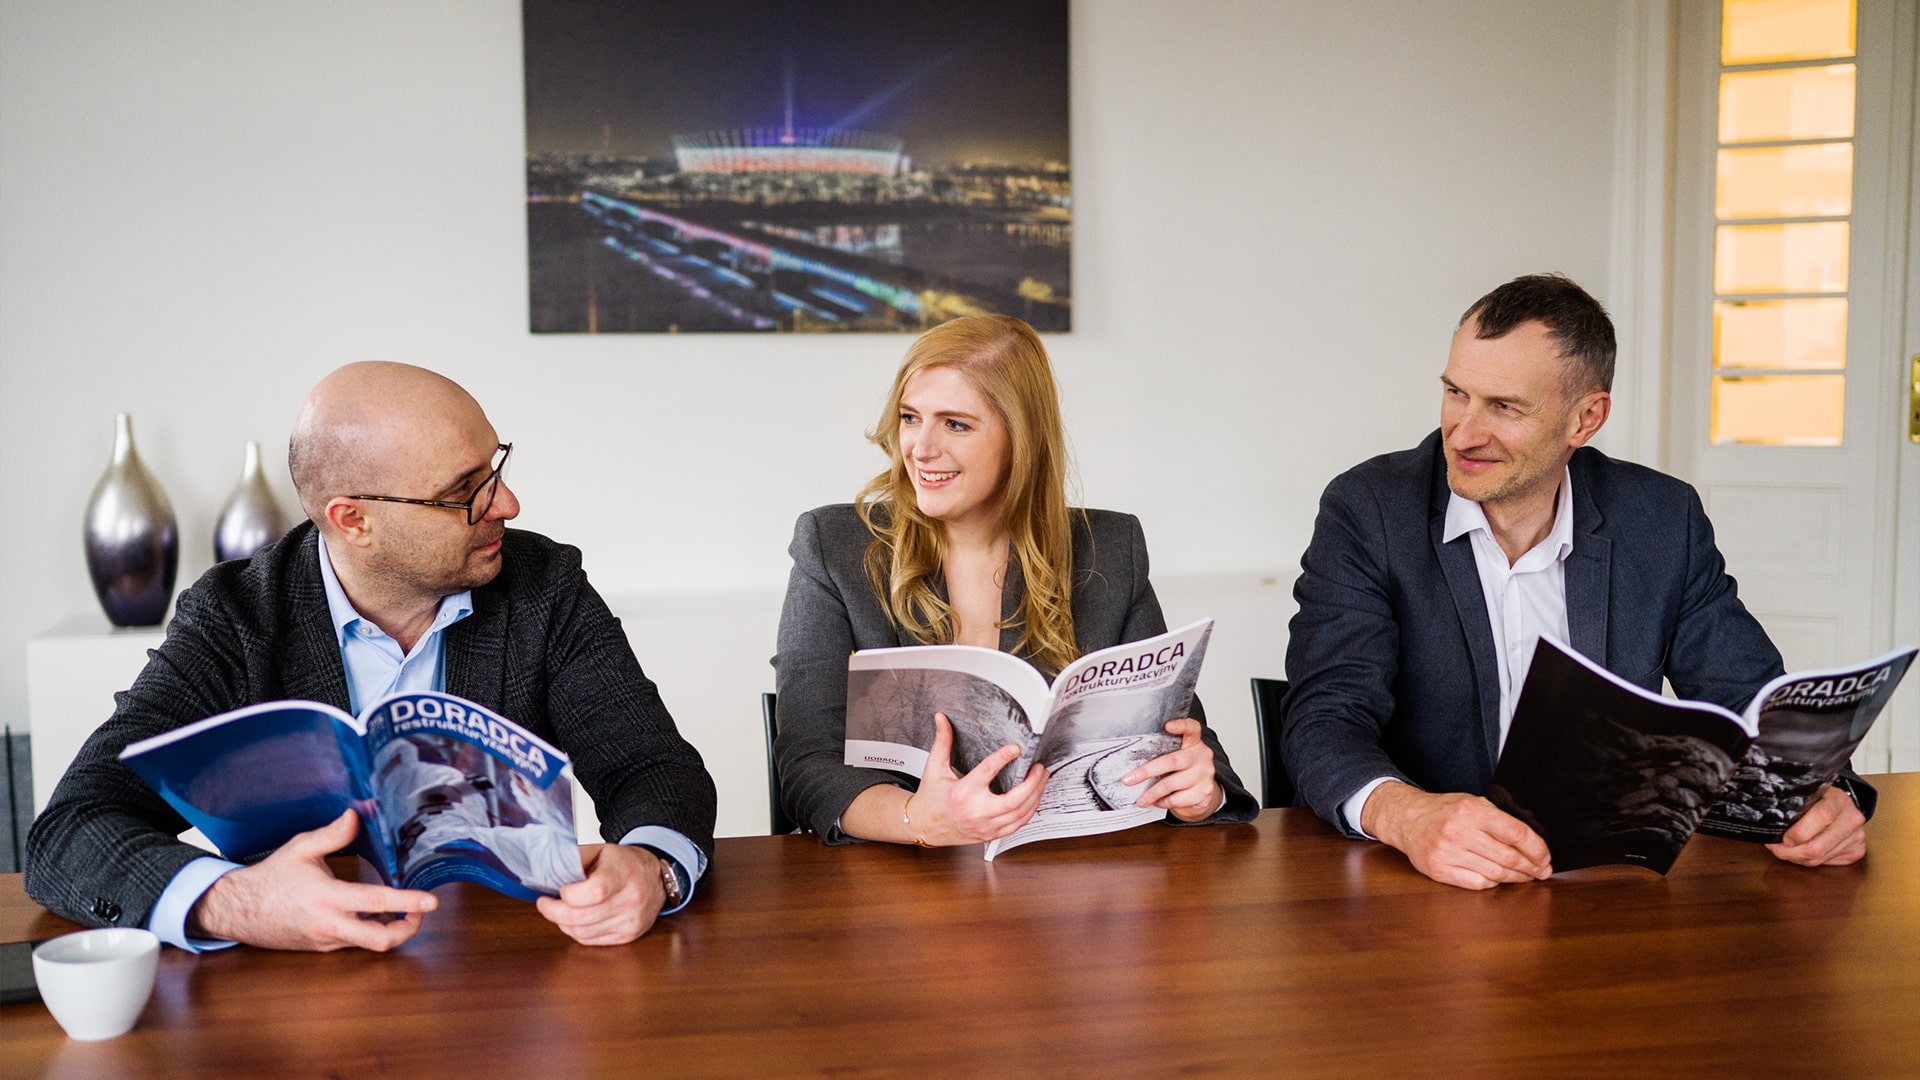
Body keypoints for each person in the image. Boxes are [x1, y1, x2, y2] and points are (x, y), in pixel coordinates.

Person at [26, 362, 716, 950]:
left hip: (508, 969)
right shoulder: (235, 618)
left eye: (496, 467)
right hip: (302, 1001)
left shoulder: (544, 587)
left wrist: (651, 866)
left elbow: (654, 769)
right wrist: (238, 902)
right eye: (463, 492)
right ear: (353, 519)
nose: (506, 503)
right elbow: (70, 831)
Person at [1282, 274, 1874, 890]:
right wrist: (1407, 816)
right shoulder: (1369, 510)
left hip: (1606, 882)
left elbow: (1750, 701)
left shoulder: (1661, 519)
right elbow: (1325, 716)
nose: (1463, 432)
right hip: (1418, 884)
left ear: (1586, 419)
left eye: (1504, 407)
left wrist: (1824, 793)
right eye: (1456, 393)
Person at [774, 314, 1257, 845]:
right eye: (911, 417)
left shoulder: (1109, 550)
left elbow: (1182, 740)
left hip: (1063, 871)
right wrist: (919, 819)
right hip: (896, 874)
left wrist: (1197, 793)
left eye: (956, 424)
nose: (921, 448)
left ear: (1021, 439)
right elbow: (807, 765)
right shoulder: (835, 546)